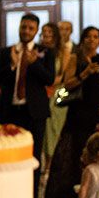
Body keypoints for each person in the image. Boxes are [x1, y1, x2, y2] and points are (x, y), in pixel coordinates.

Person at [44, 26, 99, 198]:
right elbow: (67, 85)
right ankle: (80, 190)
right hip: (80, 109)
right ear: (83, 39)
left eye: (96, 37)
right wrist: (85, 73)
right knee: (79, 148)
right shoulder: (74, 58)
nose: (92, 40)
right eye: (88, 36)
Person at [0, 13, 55, 198]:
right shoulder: (6, 52)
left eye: (30, 28)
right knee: (9, 157)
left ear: (36, 31)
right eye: (23, 27)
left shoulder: (45, 52)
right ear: (19, 27)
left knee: (33, 159)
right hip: (10, 112)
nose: (26, 31)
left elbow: (49, 79)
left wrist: (34, 64)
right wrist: (12, 64)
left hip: (34, 113)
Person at [40, 22, 68, 163]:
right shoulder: (39, 51)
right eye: (44, 32)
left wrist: (51, 83)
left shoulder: (63, 52)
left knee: (55, 127)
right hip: (43, 90)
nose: (46, 35)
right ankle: (44, 160)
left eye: (50, 32)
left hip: (59, 91)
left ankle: (52, 162)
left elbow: (64, 76)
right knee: (44, 128)